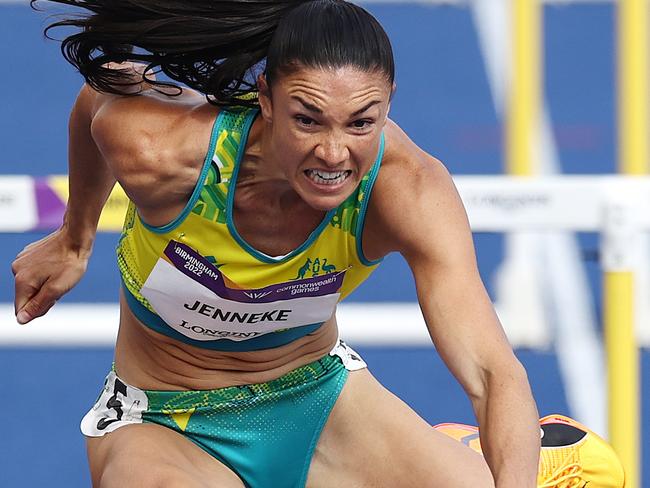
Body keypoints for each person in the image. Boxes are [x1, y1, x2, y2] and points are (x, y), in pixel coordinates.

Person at [13, 0, 555, 486]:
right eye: (308, 120)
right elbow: (98, 96)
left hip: (321, 405)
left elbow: (492, 372)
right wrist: (74, 238)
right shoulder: (165, 155)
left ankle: (458, 450)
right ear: (267, 99)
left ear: (389, 103)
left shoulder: (407, 191)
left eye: (362, 123)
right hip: (164, 421)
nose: (334, 154)